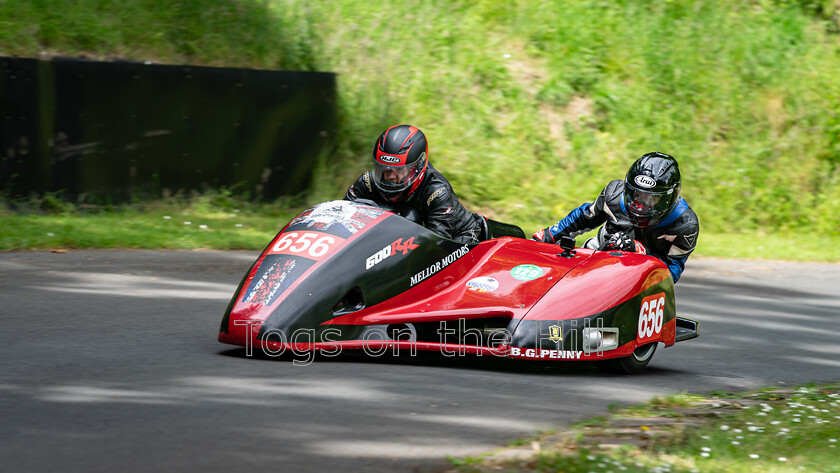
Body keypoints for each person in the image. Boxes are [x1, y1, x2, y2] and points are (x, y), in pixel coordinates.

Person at [532, 152, 699, 283]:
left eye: (652, 199)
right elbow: (584, 216)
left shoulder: (685, 226)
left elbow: (671, 274)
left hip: (643, 278)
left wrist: (640, 251)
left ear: (671, 198)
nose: (640, 205)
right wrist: (546, 237)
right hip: (598, 255)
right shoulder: (613, 194)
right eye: (636, 195)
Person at [345, 124, 484, 244]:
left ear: (416, 168)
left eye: (399, 170)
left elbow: (437, 244)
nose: (390, 176)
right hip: (406, 235)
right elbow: (339, 216)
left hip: (458, 237)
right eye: (383, 169)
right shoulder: (367, 183)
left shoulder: (437, 193)